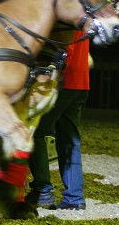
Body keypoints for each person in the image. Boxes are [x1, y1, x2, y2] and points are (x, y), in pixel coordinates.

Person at [26, 28, 92, 210]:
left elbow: (61, 50)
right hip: (81, 82)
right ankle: (75, 197)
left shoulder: (65, 15)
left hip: (61, 82)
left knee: (34, 133)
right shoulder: (82, 14)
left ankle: (43, 191)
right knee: (70, 140)